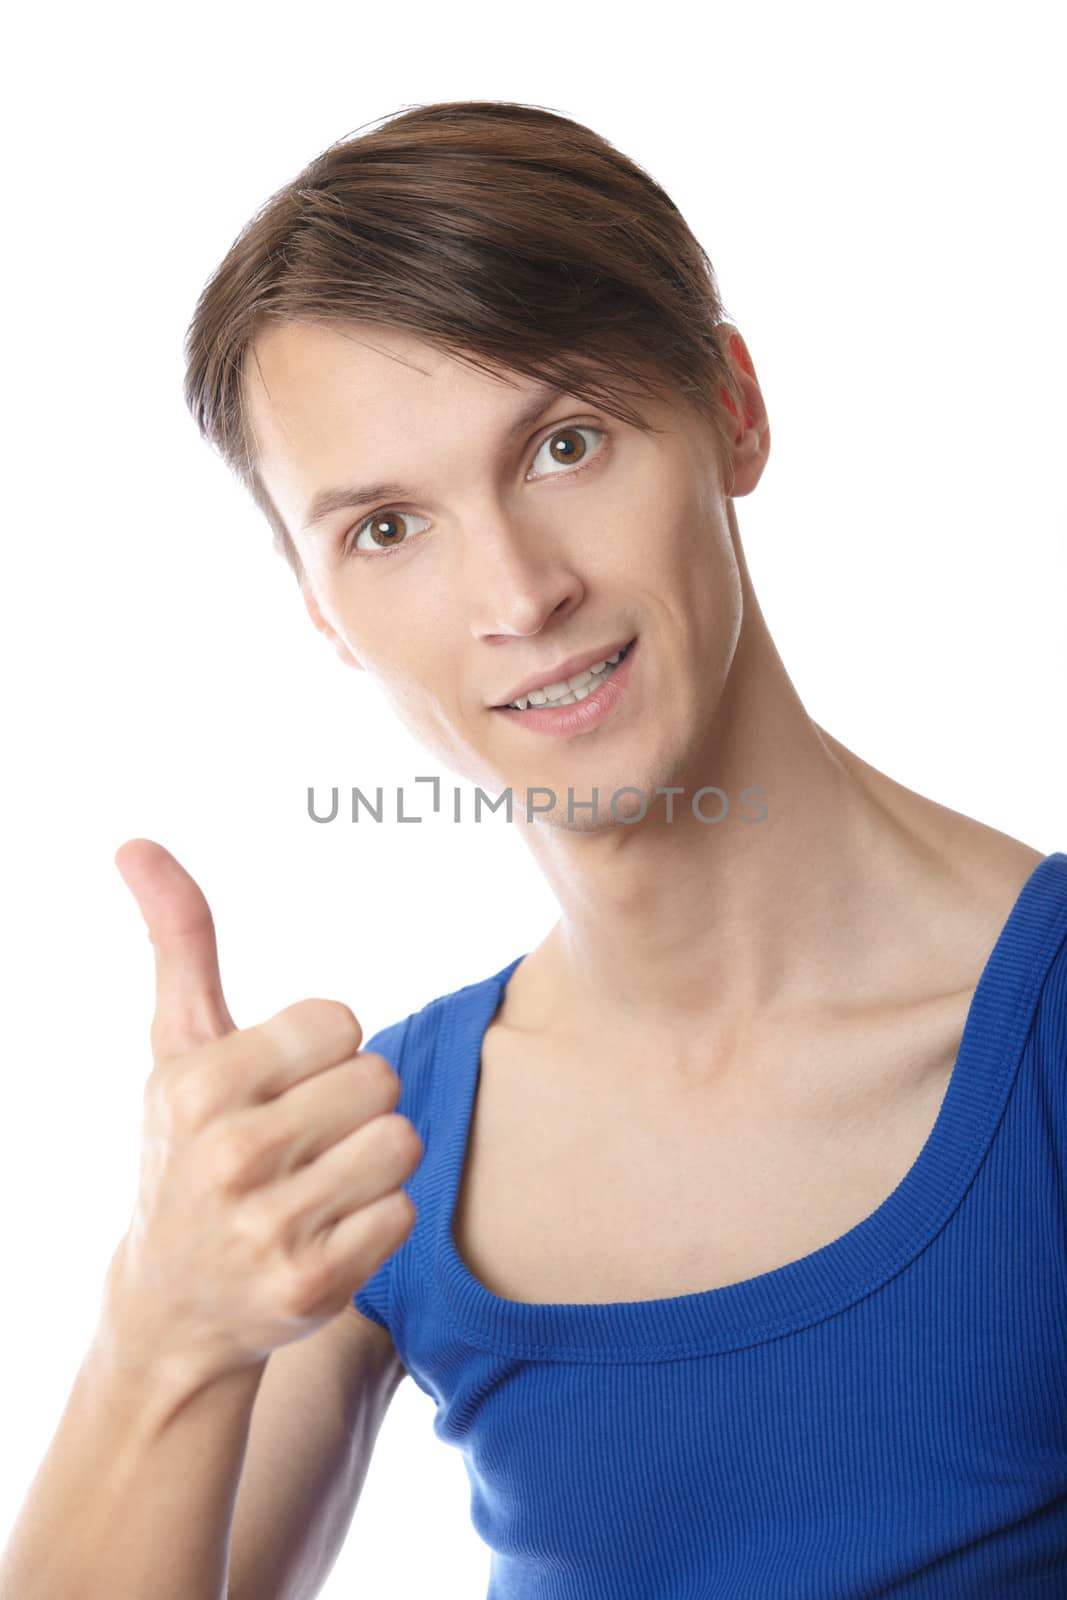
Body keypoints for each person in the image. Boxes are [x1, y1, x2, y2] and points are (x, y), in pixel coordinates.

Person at [3, 99, 1065, 1600]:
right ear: (319, 610)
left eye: (565, 445)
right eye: (385, 528)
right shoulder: (384, 1144)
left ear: (734, 409)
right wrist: (160, 1328)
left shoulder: (1047, 1026)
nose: (518, 592)